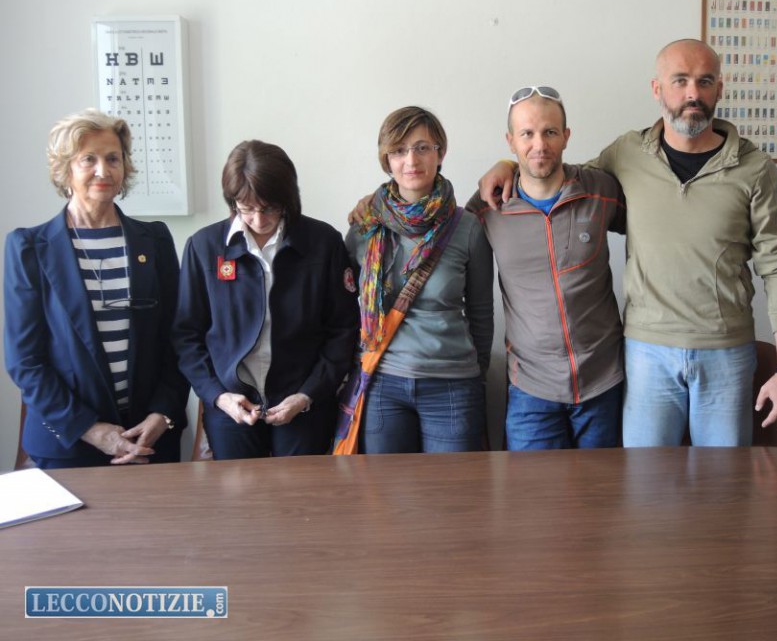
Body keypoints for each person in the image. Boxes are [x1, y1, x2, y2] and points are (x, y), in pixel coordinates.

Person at [480, 40, 777, 447]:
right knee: (644, 480)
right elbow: (556, 177)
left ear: (719, 89)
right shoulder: (627, 154)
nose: (692, 93)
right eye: (680, 80)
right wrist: (508, 164)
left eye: (704, 82)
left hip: (726, 351)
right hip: (646, 353)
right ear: (657, 89)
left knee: (724, 480)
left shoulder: (755, 168)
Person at [5, 109, 187, 468]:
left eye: (113, 159)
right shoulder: (29, 247)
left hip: (149, 438)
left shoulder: (155, 240)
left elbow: (177, 338)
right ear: (66, 168)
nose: (103, 171)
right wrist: (90, 429)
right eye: (88, 159)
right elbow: (25, 361)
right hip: (70, 444)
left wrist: (162, 413)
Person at [174, 140, 359, 459]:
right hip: (231, 403)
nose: (259, 220)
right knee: (239, 488)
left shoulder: (323, 243)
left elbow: (343, 330)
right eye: (246, 208)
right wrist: (218, 396)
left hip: (304, 401)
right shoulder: (204, 247)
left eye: (269, 208)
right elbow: (186, 335)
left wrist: (308, 394)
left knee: (301, 488)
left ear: (288, 199)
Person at [466, 86, 626, 450]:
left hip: (603, 381)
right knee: (534, 488)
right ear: (510, 141)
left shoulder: (599, 190)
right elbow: (439, 232)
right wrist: (374, 204)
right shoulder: (489, 206)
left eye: (550, 132)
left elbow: (652, 224)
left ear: (566, 136)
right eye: (527, 133)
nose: (539, 144)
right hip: (531, 389)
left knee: (603, 486)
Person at [346, 106, 493, 453]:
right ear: (386, 159)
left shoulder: (467, 227)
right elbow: (344, 305)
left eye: (423, 148)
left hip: (453, 386)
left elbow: (482, 313)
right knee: (385, 486)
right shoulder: (365, 225)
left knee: (451, 486)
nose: (411, 160)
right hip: (382, 383)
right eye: (399, 150)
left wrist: (477, 373)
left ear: (440, 153)